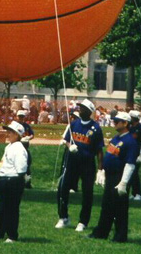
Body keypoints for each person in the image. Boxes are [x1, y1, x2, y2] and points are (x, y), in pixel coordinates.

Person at [55, 99, 104, 232]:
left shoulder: (96, 128)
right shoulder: (74, 124)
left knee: (87, 192)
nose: (79, 110)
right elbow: (66, 140)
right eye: (80, 107)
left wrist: (100, 169)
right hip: (72, 162)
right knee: (62, 188)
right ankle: (63, 217)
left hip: (87, 164)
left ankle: (83, 221)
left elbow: (100, 150)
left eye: (82, 108)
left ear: (89, 111)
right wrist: (70, 146)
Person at [90, 111, 138, 243]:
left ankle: (120, 236)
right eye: (114, 121)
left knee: (120, 208)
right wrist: (103, 172)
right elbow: (110, 155)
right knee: (107, 205)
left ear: (125, 123)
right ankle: (101, 232)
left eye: (117, 121)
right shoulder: (116, 138)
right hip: (110, 176)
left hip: (120, 176)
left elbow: (130, 164)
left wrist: (123, 182)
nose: (114, 123)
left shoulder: (130, 141)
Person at [0, 121, 28, 243]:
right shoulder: (9, 146)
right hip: (4, 180)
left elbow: (21, 169)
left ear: (17, 134)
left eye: (10, 132)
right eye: (8, 131)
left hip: (13, 181)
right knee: (3, 208)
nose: (7, 134)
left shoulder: (19, 148)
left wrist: (14, 179)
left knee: (12, 209)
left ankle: (12, 235)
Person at [128, 110, 141, 200]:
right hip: (131, 152)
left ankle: (138, 193)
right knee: (131, 173)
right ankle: (134, 192)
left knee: (134, 173)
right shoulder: (130, 127)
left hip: (137, 153)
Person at [17, 110, 34, 188]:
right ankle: (18, 182)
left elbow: (32, 134)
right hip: (18, 148)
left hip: (25, 147)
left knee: (27, 164)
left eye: (22, 117)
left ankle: (27, 183)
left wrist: (29, 137)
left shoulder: (27, 126)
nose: (21, 118)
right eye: (19, 117)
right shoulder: (15, 126)